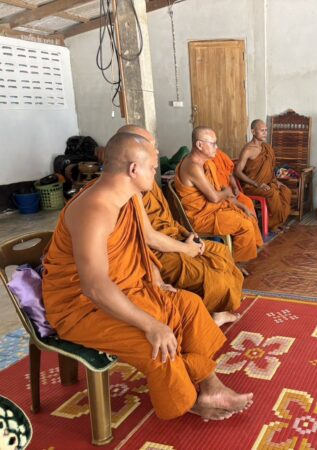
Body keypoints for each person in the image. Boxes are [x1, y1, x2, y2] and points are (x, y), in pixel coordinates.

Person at [42, 131, 253, 420]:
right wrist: (151, 325)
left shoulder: (128, 196)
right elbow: (94, 287)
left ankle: (210, 387)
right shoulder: (94, 210)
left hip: (125, 287)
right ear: (133, 169)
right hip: (81, 307)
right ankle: (187, 399)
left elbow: (143, 241)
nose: (156, 173)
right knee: (156, 341)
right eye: (153, 168)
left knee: (189, 305)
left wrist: (155, 278)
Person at [116, 125, 243, 325]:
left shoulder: (145, 180)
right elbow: (148, 238)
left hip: (172, 236)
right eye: (151, 147)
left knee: (221, 253)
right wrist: (186, 248)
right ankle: (206, 311)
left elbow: (165, 219)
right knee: (215, 276)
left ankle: (218, 309)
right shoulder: (126, 190)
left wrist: (185, 235)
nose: (157, 152)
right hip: (154, 253)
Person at [174, 126, 263, 262]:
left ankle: (238, 259)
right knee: (245, 225)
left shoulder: (207, 163)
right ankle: (235, 265)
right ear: (199, 145)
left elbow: (218, 191)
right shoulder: (193, 166)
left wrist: (240, 205)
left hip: (213, 210)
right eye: (213, 144)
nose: (216, 147)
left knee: (248, 215)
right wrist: (226, 192)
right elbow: (215, 197)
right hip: (200, 218)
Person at [236, 120, 292, 231]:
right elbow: (237, 172)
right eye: (262, 130)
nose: (265, 133)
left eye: (266, 130)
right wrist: (256, 184)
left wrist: (276, 181)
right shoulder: (248, 150)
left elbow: (270, 169)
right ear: (253, 131)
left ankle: (275, 222)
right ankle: (271, 225)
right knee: (272, 193)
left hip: (268, 182)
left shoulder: (267, 148)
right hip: (252, 186)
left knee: (286, 191)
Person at [212, 147, 257, 214]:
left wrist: (235, 187)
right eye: (212, 144)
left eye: (215, 143)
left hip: (230, 191)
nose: (215, 147)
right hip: (220, 195)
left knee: (248, 202)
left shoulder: (220, 155)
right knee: (236, 212)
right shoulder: (204, 162)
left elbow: (230, 174)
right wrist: (227, 194)